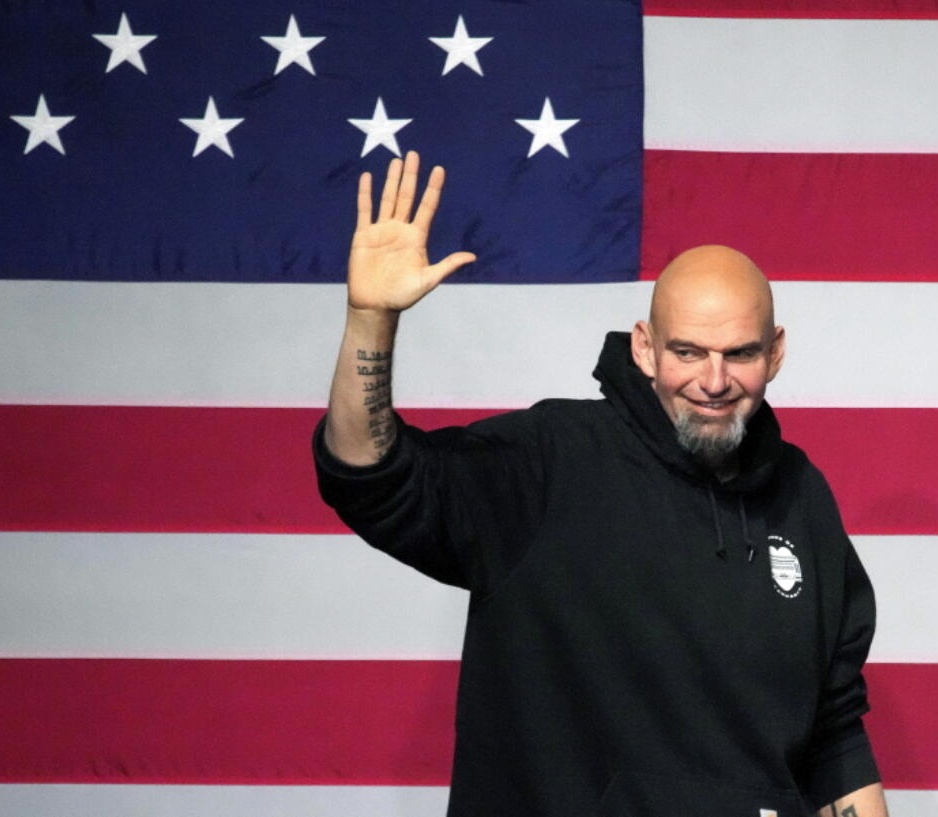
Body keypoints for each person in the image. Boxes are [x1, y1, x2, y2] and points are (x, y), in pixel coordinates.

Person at [315, 152, 889, 817]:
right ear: (644, 347)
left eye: (739, 354)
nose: (712, 380)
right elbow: (367, 474)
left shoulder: (802, 498)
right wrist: (370, 321)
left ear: (775, 352)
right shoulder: (548, 460)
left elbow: (834, 735)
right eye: (687, 352)